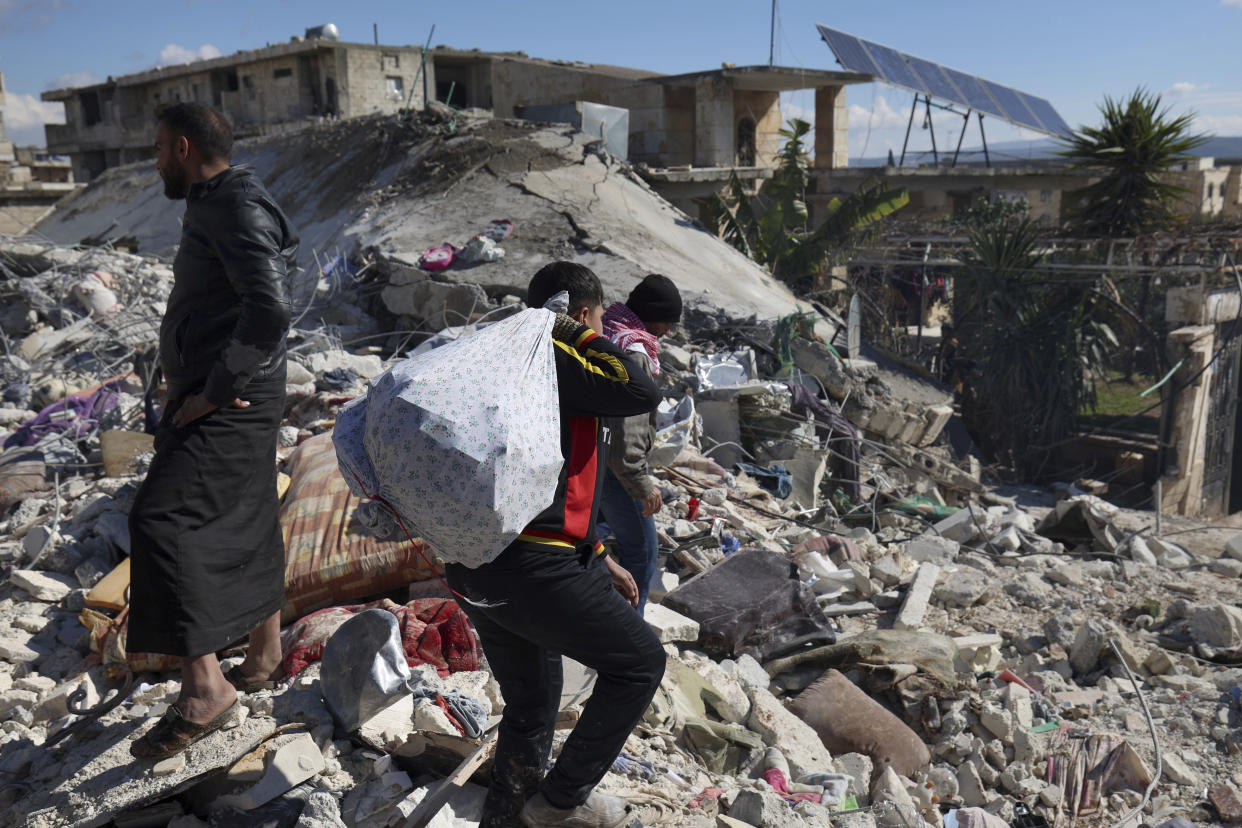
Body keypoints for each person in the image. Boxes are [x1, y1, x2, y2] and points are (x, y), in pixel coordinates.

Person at [444, 262, 665, 828]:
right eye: (594, 318)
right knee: (641, 664)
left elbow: (549, 477)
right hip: (534, 569)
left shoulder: (501, 356)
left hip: (476, 567)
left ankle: (507, 820)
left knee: (532, 707)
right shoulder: (561, 358)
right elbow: (644, 387)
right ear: (585, 312)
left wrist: (597, 554)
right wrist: (575, 331)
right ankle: (560, 803)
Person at [127, 103, 298, 759]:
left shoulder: (231, 205)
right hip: (229, 391)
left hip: (228, 398)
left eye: (158, 147)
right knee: (249, 508)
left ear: (182, 146)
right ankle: (263, 652)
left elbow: (270, 307)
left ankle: (205, 687)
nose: (154, 159)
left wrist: (216, 390)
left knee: (159, 520)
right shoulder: (221, 200)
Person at [597, 273, 683, 614]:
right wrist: (641, 483)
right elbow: (627, 430)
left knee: (593, 534)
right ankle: (628, 633)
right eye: (667, 322)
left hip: (591, 456)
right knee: (643, 550)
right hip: (615, 468)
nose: (669, 331)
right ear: (652, 315)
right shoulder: (635, 352)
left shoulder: (608, 329)